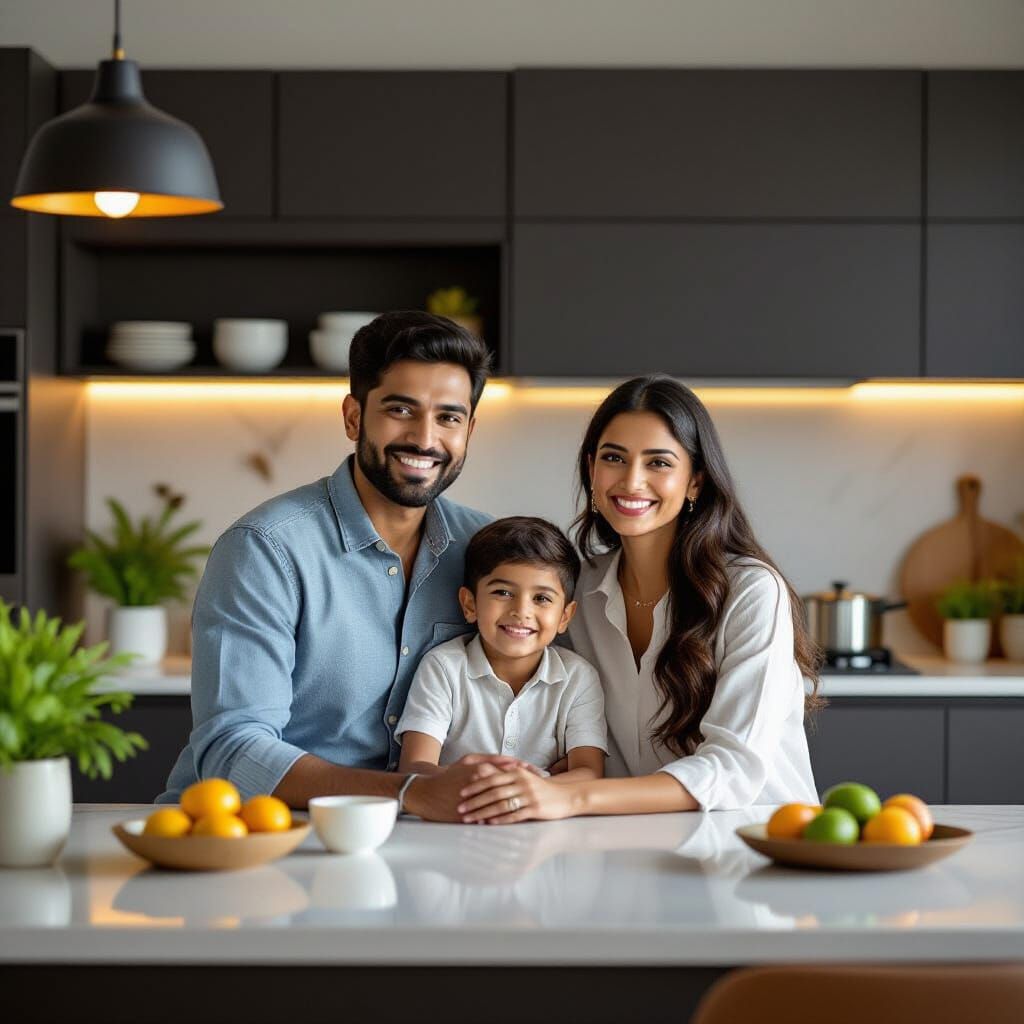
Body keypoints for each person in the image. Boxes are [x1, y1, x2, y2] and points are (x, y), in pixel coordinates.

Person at [158, 311, 530, 820]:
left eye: (448, 417)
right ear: (354, 416)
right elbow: (231, 750)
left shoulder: (487, 552)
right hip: (260, 838)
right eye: (401, 410)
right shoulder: (265, 548)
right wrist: (406, 792)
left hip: (422, 841)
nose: (425, 438)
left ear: (469, 428)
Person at [454, 375, 822, 823]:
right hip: (634, 845)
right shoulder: (576, 595)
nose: (631, 480)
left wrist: (572, 798)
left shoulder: (750, 591)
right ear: (592, 469)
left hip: (758, 847)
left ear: (695, 482)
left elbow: (733, 768)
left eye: (659, 463)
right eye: (614, 458)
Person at [396, 517, 607, 783]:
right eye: (503, 592)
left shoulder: (578, 678)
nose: (521, 611)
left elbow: (589, 773)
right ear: (470, 604)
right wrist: (497, 785)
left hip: (545, 819)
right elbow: (415, 767)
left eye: (541, 598)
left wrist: (523, 792)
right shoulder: (443, 667)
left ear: (565, 616)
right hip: (456, 818)